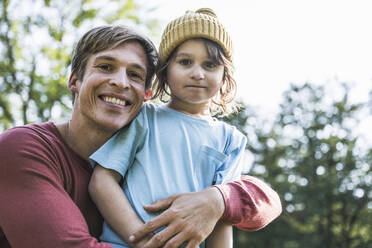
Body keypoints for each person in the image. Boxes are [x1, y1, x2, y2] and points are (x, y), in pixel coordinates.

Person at [0, 25, 282, 248]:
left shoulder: (220, 139)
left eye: (135, 75)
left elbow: (268, 203)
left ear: (146, 94)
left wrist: (220, 199)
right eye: (105, 66)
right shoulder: (22, 148)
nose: (120, 82)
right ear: (74, 80)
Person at [88, 8, 273, 248]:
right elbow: (102, 182)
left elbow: (222, 216)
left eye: (210, 65)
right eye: (185, 62)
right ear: (165, 71)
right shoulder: (145, 117)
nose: (198, 73)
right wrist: (143, 241)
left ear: (225, 74)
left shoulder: (231, 140)